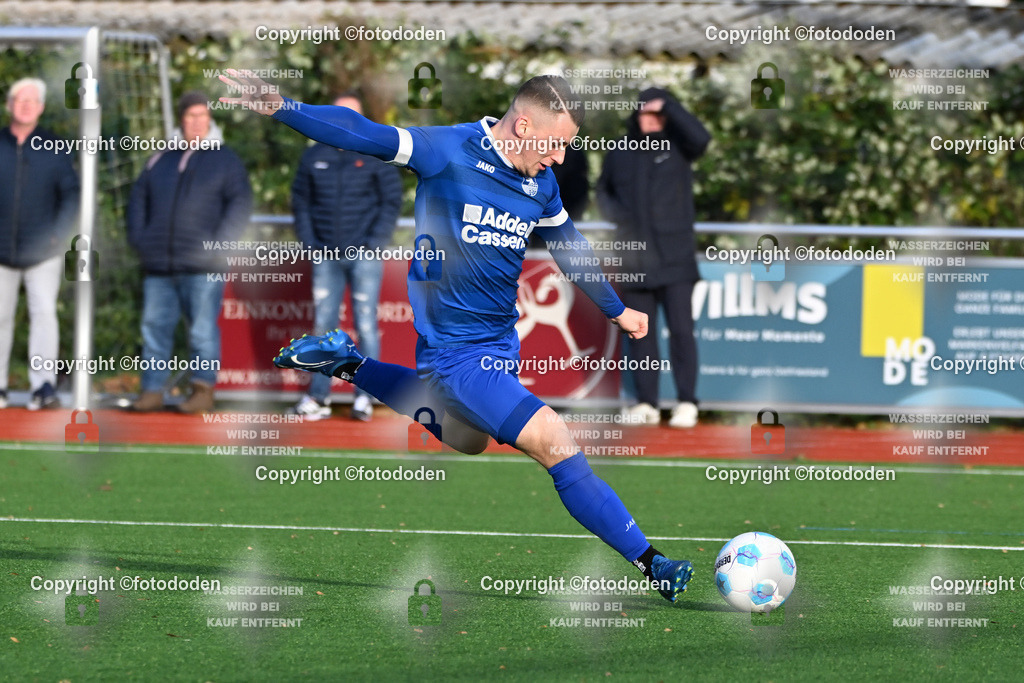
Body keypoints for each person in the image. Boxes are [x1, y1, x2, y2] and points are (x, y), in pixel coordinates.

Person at [220, 70, 694, 602]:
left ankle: (347, 365)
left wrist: (616, 311)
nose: (560, 157)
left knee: (466, 441)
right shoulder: (447, 149)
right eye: (557, 143)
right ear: (522, 124)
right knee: (555, 441)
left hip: (498, 346)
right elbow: (359, 130)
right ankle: (654, 563)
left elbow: (570, 247)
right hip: (453, 354)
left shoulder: (542, 182)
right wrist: (284, 106)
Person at [127, 91, 252, 413]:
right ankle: (152, 390)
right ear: (181, 120)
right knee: (154, 328)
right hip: (158, 264)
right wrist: (141, 240)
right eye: (190, 116)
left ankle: (201, 390)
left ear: (210, 120)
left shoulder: (226, 159)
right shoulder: (160, 158)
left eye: (202, 116)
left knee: (202, 331)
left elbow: (240, 205)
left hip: (203, 265)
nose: (196, 123)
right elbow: (138, 201)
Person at [597, 88, 710, 429]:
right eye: (645, 111)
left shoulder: (679, 146)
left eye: (658, 113)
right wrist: (622, 219)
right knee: (639, 335)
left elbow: (701, 138)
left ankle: (687, 402)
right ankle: (646, 402)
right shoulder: (620, 150)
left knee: (681, 332)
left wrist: (670, 107)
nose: (650, 118)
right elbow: (603, 191)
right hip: (635, 261)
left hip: (676, 259)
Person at [289, 91, 402, 422]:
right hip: (325, 255)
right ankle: (318, 397)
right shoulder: (313, 156)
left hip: (365, 256)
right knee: (324, 325)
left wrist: (373, 242)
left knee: (366, 325)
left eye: (352, 114)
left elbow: (390, 201)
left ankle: (364, 399)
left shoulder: (377, 154)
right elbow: (300, 201)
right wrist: (311, 242)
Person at [0, 77, 79, 410]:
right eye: (20, 99)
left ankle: (43, 386)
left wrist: (57, 236)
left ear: (42, 107)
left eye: (33, 100)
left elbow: (71, 196)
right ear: (9, 105)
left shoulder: (54, 147)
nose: (26, 105)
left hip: (42, 253)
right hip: (1, 251)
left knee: (44, 314)